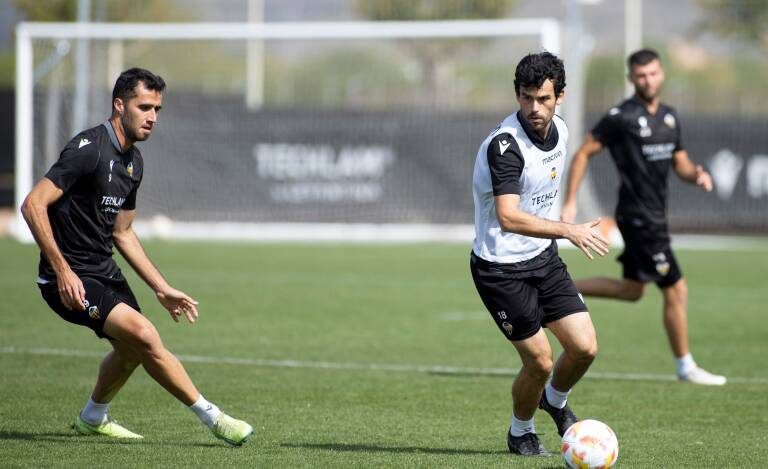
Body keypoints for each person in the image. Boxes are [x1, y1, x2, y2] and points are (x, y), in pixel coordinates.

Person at [21, 68, 254, 444]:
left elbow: (123, 232)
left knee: (130, 351)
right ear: (119, 105)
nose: (152, 117)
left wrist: (161, 287)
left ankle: (92, 417)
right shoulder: (89, 149)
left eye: (157, 109)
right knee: (144, 335)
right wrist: (62, 271)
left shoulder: (134, 163)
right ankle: (214, 419)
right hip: (66, 277)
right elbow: (33, 204)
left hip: (103, 269)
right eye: (144, 107)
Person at [470, 52, 610, 457]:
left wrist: (563, 219)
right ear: (517, 94)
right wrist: (568, 229)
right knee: (540, 362)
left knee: (584, 348)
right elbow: (508, 217)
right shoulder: (505, 146)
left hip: (543, 259)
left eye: (543, 98)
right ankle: (521, 433)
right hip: (501, 270)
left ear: (559, 96)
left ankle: (555, 401)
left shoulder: (561, 130)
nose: (534, 107)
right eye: (526, 97)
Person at [561, 49, 726, 386]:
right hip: (638, 218)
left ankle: (559, 289)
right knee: (675, 288)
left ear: (661, 74)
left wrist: (696, 174)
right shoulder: (621, 117)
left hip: (655, 216)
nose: (647, 80)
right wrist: (570, 202)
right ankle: (686, 366)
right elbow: (582, 154)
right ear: (631, 78)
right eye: (640, 75)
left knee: (632, 290)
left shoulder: (669, 117)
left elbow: (680, 162)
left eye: (652, 73)